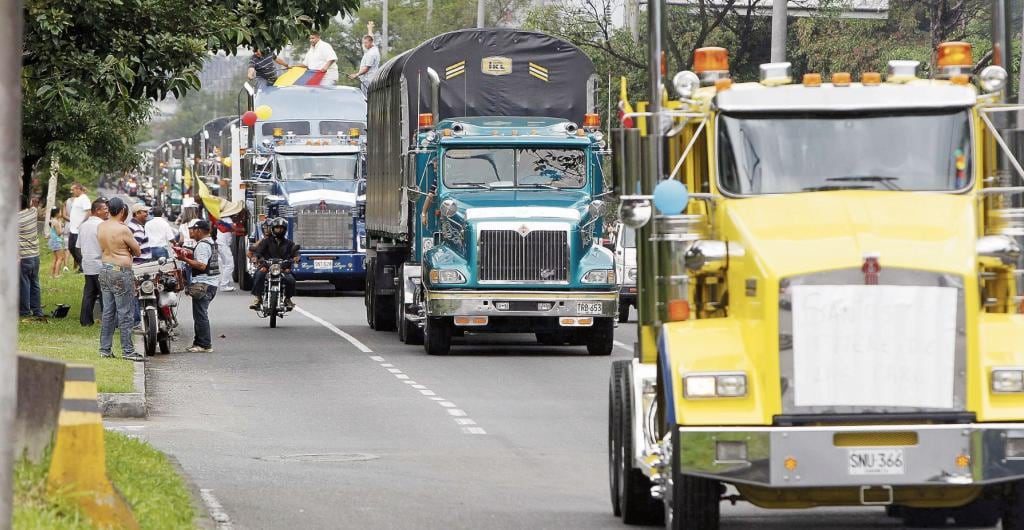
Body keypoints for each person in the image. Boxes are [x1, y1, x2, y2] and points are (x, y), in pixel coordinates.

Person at [96, 198, 142, 361]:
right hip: (120, 271)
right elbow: (137, 251)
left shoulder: (101, 226)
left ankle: (105, 349)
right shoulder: (123, 229)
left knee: (108, 311)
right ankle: (127, 350)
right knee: (125, 312)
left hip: (105, 269)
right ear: (122, 210)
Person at [179, 220, 219, 353]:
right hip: (211, 283)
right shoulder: (210, 242)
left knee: (201, 315)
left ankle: (205, 344)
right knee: (199, 314)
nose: (191, 232)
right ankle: (198, 342)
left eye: (193, 229)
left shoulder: (202, 245)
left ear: (200, 231)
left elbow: (201, 265)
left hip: (203, 284)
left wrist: (185, 260)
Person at [249, 217, 298, 310]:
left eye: (282, 228)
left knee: (291, 279)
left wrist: (296, 257)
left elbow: (294, 253)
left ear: (285, 229)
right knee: (259, 275)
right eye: (277, 228)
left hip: (283, 268)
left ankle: (287, 299)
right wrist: (255, 257)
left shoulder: (289, 243)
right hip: (267, 266)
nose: (279, 230)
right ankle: (258, 298)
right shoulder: (266, 241)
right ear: (273, 229)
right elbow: (258, 251)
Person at [78, 199, 109, 326]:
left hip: (87, 264)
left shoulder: (83, 226)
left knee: (89, 294)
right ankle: (107, 321)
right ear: (97, 211)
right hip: (100, 264)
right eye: (105, 209)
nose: (107, 212)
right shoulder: (103, 225)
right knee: (104, 294)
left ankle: (85, 321)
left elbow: (78, 247)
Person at [18, 196, 43, 319]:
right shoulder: (33, 213)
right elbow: (34, 203)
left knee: (24, 283)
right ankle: (37, 310)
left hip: (24, 257)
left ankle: (24, 311)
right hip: (35, 255)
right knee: (35, 282)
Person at [214, 198, 244, 292]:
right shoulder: (227, 219)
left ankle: (224, 283)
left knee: (225, 264)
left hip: (221, 243)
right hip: (223, 244)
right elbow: (234, 229)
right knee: (230, 265)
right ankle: (224, 284)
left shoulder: (222, 219)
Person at [66, 183, 91, 272]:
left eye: (73, 190)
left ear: (78, 189)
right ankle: (82, 266)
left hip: (79, 230)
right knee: (71, 247)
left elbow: (88, 212)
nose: (72, 192)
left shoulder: (84, 198)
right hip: (73, 229)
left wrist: (82, 223)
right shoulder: (77, 199)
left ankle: (83, 268)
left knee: (77, 249)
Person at [46, 209, 68, 279]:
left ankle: (52, 274)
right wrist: (63, 228)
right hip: (57, 241)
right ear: (56, 213)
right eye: (60, 212)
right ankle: (56, 274)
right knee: (60, 258)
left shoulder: (53, 220)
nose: (61, 213)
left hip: (53, 241)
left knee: (55, 258)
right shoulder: (56, 222)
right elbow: (59, 233)